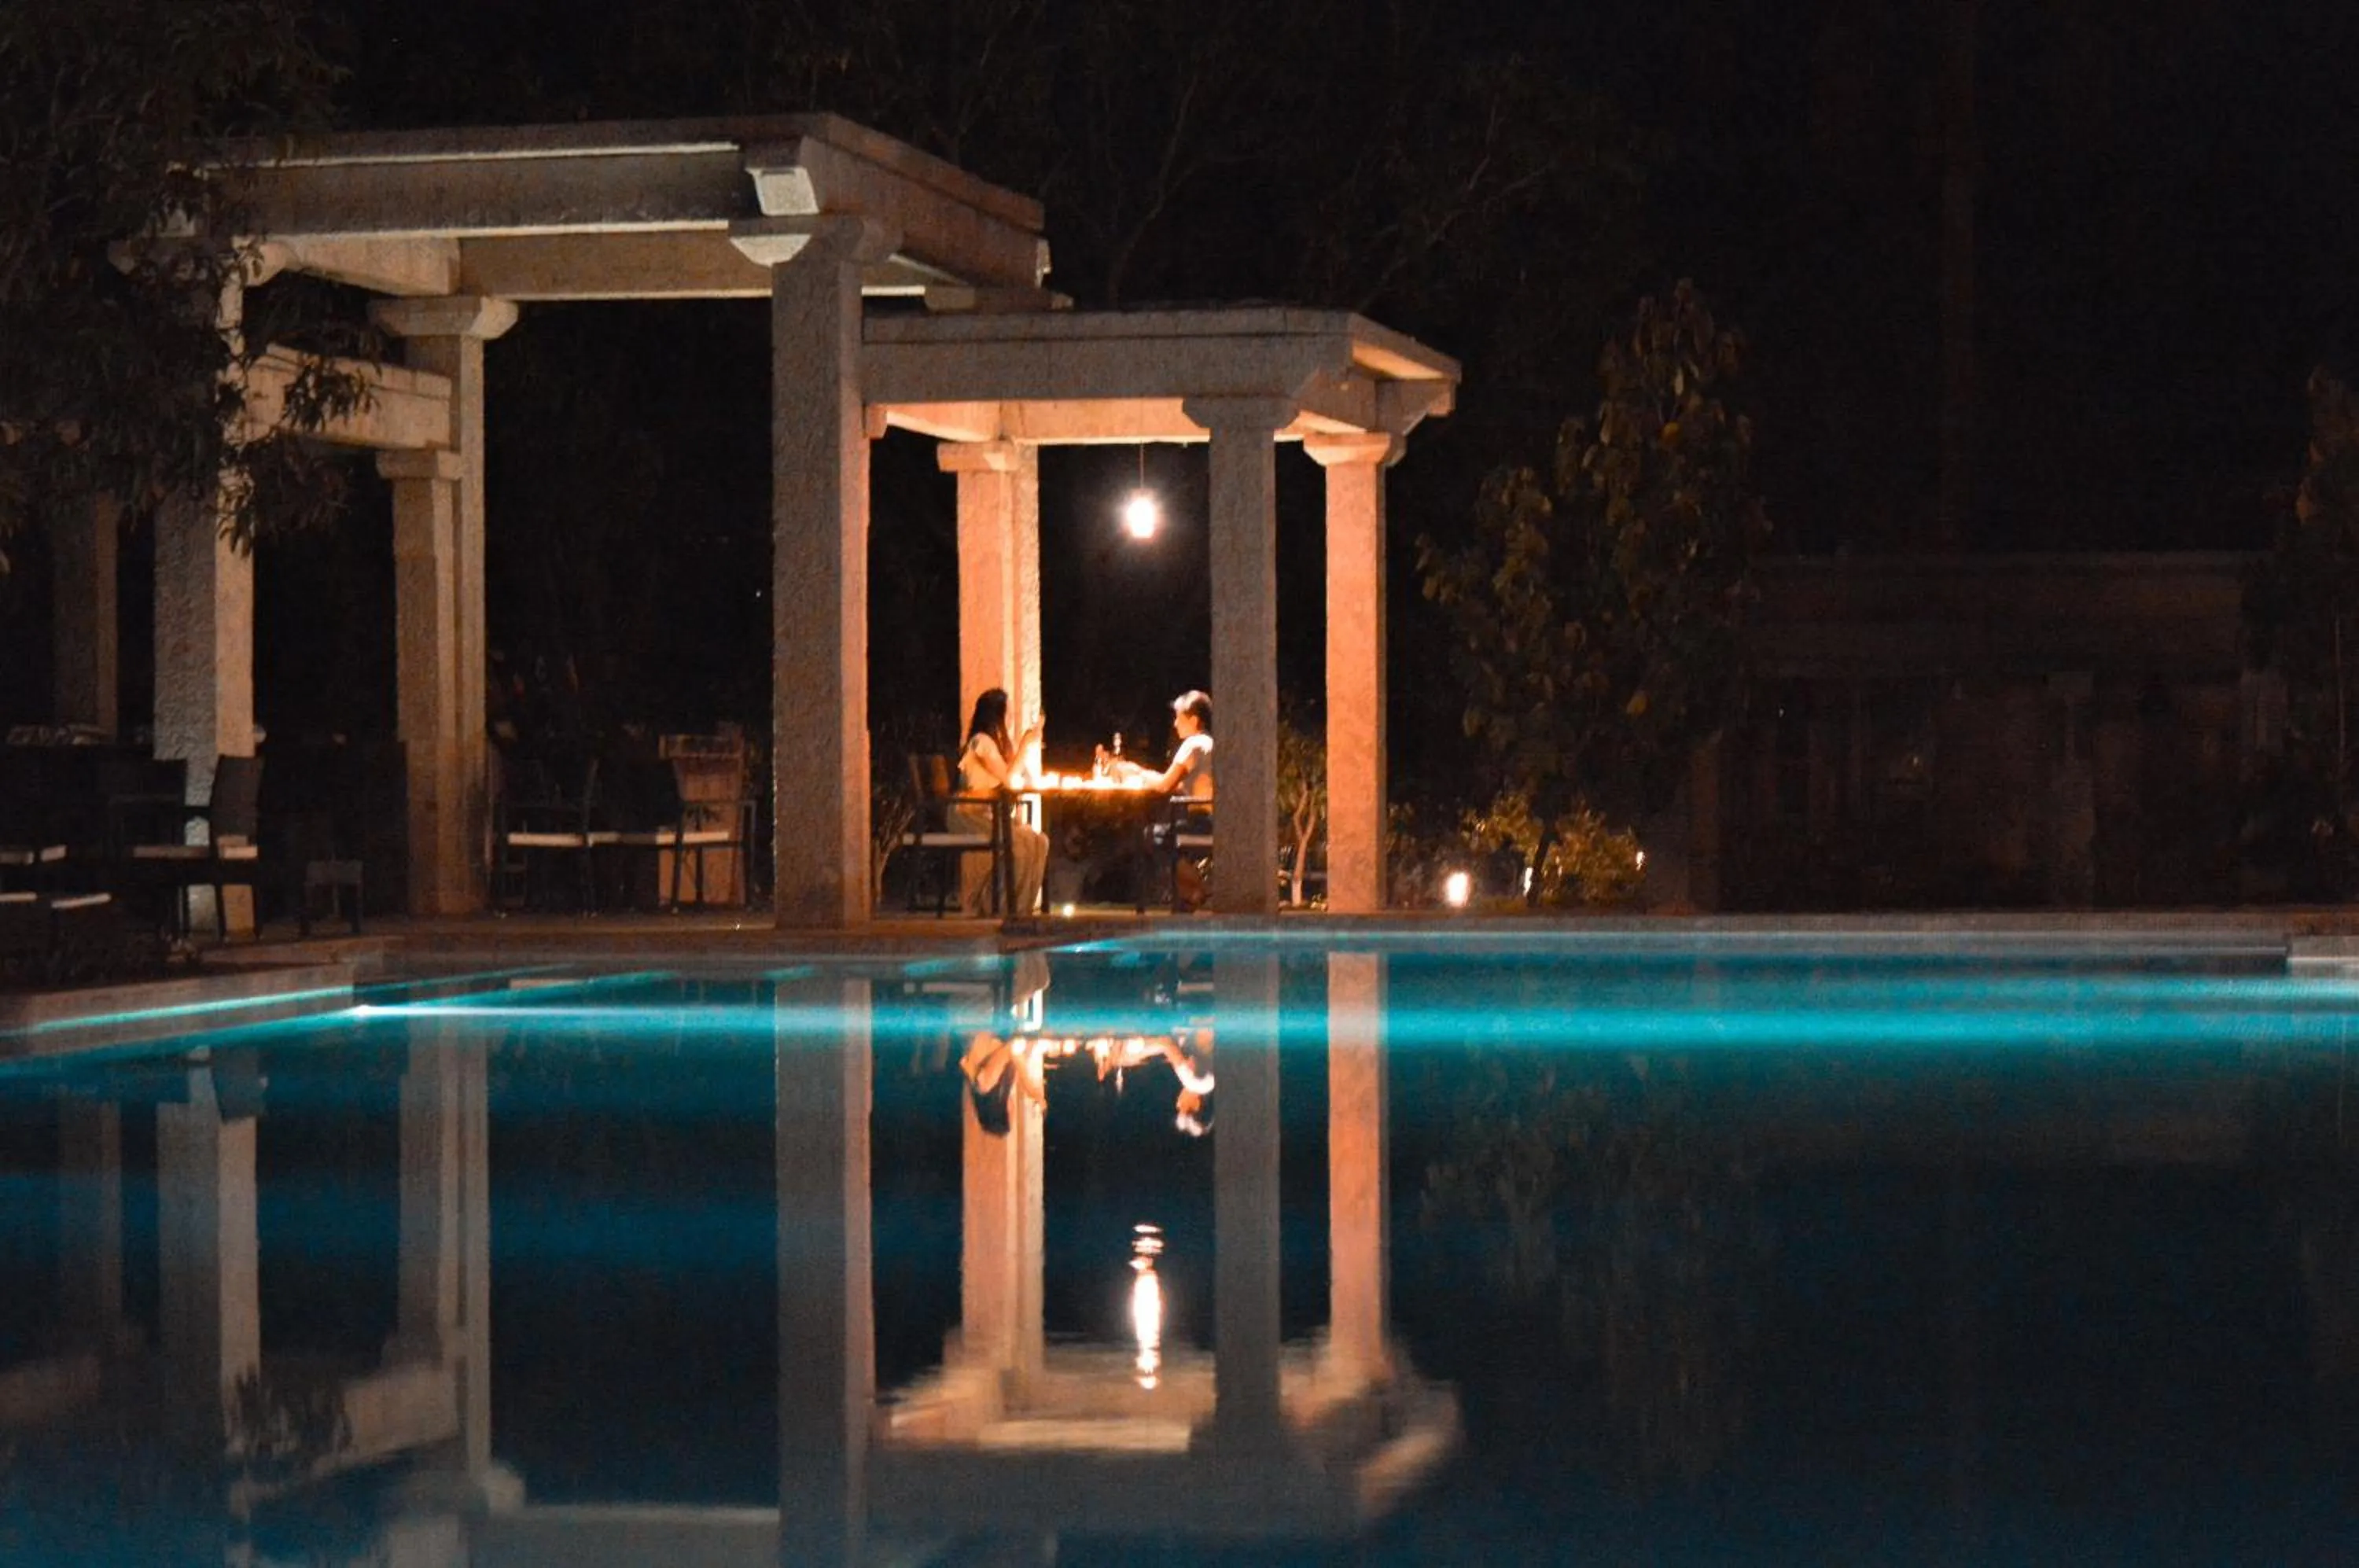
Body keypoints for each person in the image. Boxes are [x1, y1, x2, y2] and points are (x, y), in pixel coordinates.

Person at [1104, 690, 1214, 908]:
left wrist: (1134, 771)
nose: (1175, 724)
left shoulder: (1193, 745)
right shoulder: (1209, 743)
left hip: (1202, 823)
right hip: (1212, 820)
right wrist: (1139, 772)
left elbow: (1164, 785)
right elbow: (1173, 782)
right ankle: (1190, 897)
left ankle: (1201, 890)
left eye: (1179, 718)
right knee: (1162, 837)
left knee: (1151, 837)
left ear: (1193, 720)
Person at [955, 688, 1049, 916]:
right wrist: (1025, 746)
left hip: (991, 813)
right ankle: (997, 904)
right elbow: (1008, 779)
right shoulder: (981, 742)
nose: (1011, 719)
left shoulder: (995, 745)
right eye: (1008, 714)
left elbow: (1014, 779)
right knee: (1018, 847)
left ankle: (1021, 907)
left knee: (1040, 842)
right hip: (970, 813)